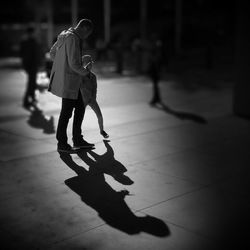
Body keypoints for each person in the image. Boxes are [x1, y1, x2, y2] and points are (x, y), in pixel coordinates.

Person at [48, 19, 94, 153]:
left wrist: (66, 64)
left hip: (70, 80)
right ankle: (62, 143)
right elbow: (74, 64)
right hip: (71, 82)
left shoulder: (64, 34)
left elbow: (52, 53)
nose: (86, 37)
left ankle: (78, 139)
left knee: (80, 108)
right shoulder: (74, 38)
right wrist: (87, 73)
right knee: (66, 112)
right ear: (85, 29)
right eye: (88, 34)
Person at [80, 55, 109, 138]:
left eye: (91, 64)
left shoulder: (93, 76)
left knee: (99, 115)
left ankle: (102, 130)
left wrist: (93, 98)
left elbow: (95, 89)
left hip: (92, 99)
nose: (91, 66)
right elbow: (80, 87)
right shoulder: (81, 75)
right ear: (85, 65)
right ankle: (79, 134)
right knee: (80, 118)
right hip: (83, 100)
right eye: (89, 64)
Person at [20, 26, 42, 109]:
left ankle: (32, 98)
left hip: (30, 65)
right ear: (31, 33)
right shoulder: (32, 42)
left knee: (32, 82)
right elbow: (35, 54)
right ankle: (26, 101)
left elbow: (21, 54)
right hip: (32, 65)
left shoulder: (25, 42)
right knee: (31, 83)